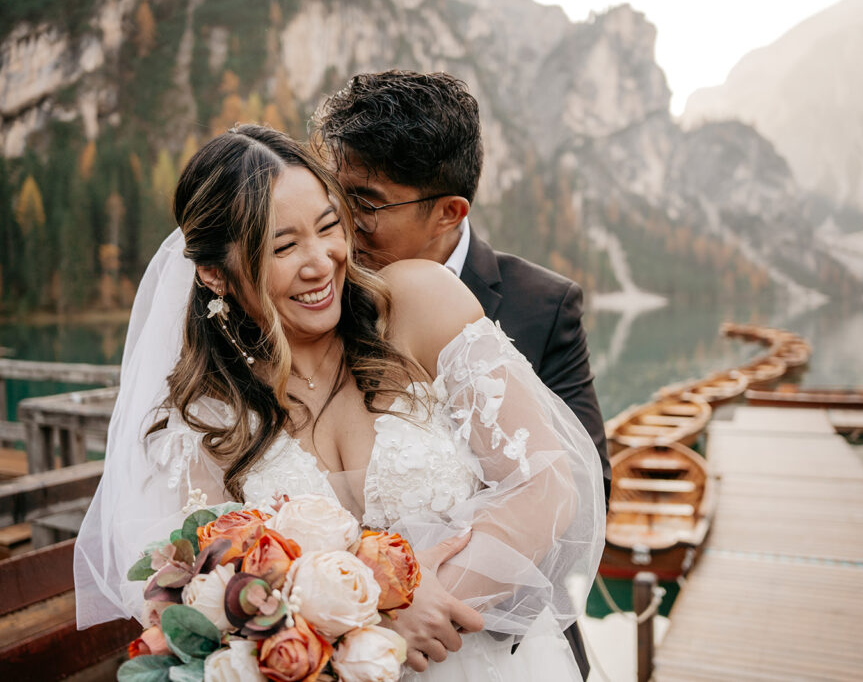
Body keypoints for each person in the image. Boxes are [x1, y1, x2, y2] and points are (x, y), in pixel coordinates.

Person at [73, 125, 606, 681]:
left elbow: (545, 482)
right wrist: (363, 634)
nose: (321, 262)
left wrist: (419, 606)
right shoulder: (205, 422)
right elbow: (213, 602)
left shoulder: (420, 303)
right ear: (213, 274)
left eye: (329, 227)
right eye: (282, 246)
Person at [313, 69, 610, 679]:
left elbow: (583, 480)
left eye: (365, 204)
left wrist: (421, 602)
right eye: (332, 196)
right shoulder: (319, 290)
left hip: (491, 645)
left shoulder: (542, 304)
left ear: (449, 211)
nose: (341, 225)